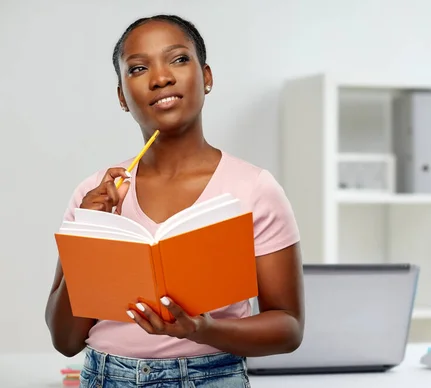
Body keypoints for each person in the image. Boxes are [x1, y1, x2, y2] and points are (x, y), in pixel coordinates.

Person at [44, 14, 305, 388]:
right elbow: (65, 340)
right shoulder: (93, 194)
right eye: (137, 68)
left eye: (179, 59)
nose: (161, 77)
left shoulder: (255, 189)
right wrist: (90, 232)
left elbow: (289, 328)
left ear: (207, 77)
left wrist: (203, 329)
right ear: (122, 96)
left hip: (212, 378)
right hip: (106, 377)